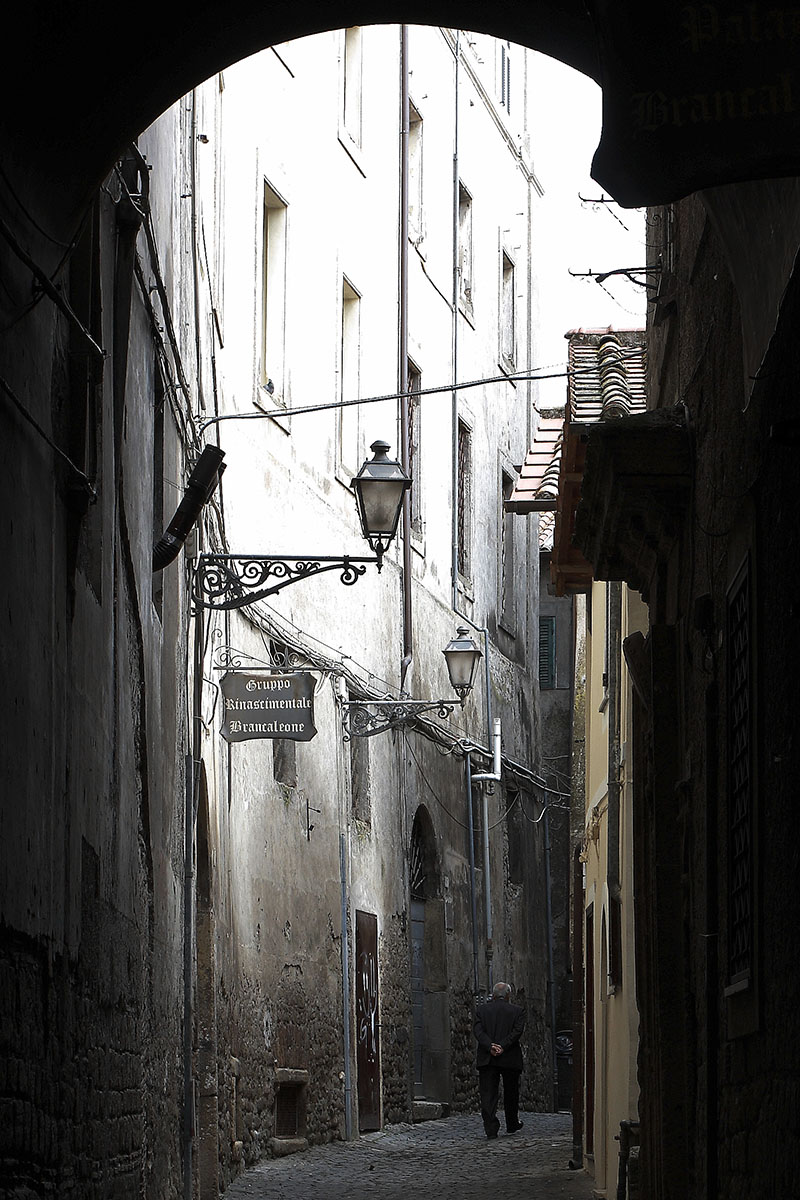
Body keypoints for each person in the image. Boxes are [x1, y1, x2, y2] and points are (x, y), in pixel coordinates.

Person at [473, 981, 526, 1139]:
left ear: (493, 995)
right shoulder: (517, 1011)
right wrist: (502, 1046)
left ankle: (490, 1128)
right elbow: (517, 1031)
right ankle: (511, 1122)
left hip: (487, 1057)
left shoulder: (481, 1011)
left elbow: (478, 1031)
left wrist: (490, 1046)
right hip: (509, 1057)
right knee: (511, 1092)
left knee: (488, 1093)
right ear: (508, 995)